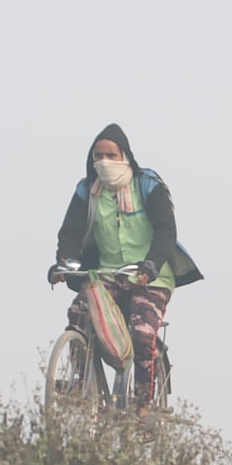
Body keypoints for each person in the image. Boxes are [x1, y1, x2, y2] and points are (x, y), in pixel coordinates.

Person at [48, 123, 202, 415]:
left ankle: (142, 403)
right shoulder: (87, 192)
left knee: (142, 334)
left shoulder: (148, 185)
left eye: (111, 155)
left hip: (150, 277)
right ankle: (81, 383)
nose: (104, 162)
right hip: (107, 275)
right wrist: (63, 263)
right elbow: (69, 232)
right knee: (79, 312)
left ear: (126, 156)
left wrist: (151, 264)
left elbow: (166, 231)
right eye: (98, 156)